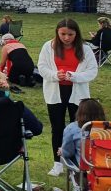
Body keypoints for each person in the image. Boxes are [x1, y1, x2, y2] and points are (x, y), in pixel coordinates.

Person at [38, 19, 98, 177]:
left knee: (78, 129)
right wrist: (54, 75)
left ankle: (76, 163)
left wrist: (74, 76)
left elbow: (92, 71)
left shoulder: (85, 49)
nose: (66, 38)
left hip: (78, 94)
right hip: (55, 92)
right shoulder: (48, 47)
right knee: (57, 128)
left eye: (70, 34)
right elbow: (42, 67)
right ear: (57, 33)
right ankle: (57, 163)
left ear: (76, 34)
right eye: (63, 34)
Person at [61, 98, 107, 168]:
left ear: (80, 112)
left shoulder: (72, 128)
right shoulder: (110, 130)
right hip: (106, 167)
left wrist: (62, 151)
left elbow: (68, 153)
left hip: (85, 169)